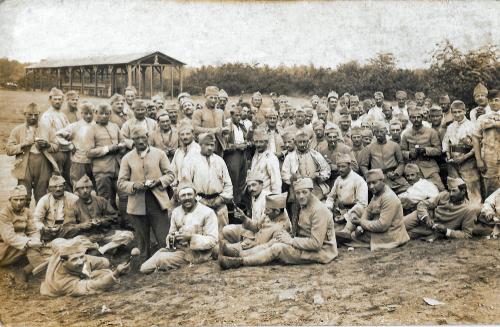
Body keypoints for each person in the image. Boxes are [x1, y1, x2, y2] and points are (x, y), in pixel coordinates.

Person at [218, 177, 337, 269]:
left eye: (304, 192)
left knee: (277, 248)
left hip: (321, 252)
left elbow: (316, 243)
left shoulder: (319, 210)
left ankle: (240, 262)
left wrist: (290, 241)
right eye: (298, 193)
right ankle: (239, 254)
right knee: (273, 243)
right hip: (302, 243)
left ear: (312, 191)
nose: (301, 196)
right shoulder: (301, 206)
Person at [118, 127, 175, 262]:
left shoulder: (159, 154)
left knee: (163, 236)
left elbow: (171, 175)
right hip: (137, 202)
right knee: (142, 240)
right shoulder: (127, 158)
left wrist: (158, 181)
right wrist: (133, 185)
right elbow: (121, 182)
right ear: (133, 141)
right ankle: (145, 264)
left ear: (148, 137)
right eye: (137, 138)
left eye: (143, 137)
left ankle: (165, 261)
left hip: (157, 200)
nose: (140, 141)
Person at [140, 180, 218, 274]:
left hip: (197, 253)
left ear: (195, 195)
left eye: (189, 194)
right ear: (178, 198)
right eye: (183, 195)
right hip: (178, 250)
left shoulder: (207, 212)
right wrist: (172, 238)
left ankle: (164, 267)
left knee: (161, 260)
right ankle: (163, 265)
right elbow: (170, 234)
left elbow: (212, 240)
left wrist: (190, 237)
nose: (187, 198)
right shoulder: (176, 212)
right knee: (144, 268)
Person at [181, 133, 233, 237]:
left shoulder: (219, 161)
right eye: (206, 145)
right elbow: (187, 184)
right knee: (201, 234)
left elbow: (228, 184)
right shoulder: (191, 161)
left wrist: (221, 199)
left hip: (219, 202)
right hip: (200, 203)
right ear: (200, 145)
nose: (210, 148)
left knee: (222, 234)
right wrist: (199, 200)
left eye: (212, 145)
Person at [6, 103, 59, 202]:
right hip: (24, 163)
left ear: (39, 114)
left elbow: (56, 146)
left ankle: (42, 216)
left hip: (43, 163)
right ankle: (24, 216)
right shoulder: (17, 130)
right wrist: (23, 145)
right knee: (24, 194)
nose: (33, 117)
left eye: (36, 114)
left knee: (42, 195)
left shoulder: (47, 128)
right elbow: (9, 149)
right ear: (24, 114)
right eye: (30, 115)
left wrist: (47, 145)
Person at [40, 240, 129, 297]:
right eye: (74, 259)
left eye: (81, 257)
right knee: (106, 275)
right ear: (63, 262)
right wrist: (115, 274)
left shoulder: (65, 251)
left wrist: (79, 256)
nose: (80, 262)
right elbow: (92, 286)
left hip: (73, 268)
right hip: (70, 281)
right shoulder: (62, 283)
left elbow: (56, 242)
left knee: (105, 262)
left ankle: (80, 258)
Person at [350, 169, 410, 251]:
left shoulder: (388, 197)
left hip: (390, 235)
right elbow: (368, 211)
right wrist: (360, 226)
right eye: (368, 183)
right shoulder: (377, 193)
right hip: (380, 230)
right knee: (357, 214)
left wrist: (361, 223)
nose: (371, 186)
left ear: (383, 181)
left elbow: (382, 226)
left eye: (374, 183)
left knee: (352, 237)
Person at [404, 177, 478, 240]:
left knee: (404, 235)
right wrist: (426, 217)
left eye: (454, 191)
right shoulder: (444, 195)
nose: (451, 194)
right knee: (399, 225)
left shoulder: (468, 210)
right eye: (450, 191)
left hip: (435, 230)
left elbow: (466, 234)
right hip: (423, 217)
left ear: (463, 191)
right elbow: (422, 204)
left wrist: (446, 231)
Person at [220, 192, 291, 258]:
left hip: (255, 249)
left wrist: (255, 244)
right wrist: (244, 217)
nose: (265, 212)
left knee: (219, 250)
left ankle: (235, 251)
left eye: (267, 210)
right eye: (265, 209)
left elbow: (268, 247)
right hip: (251, 240)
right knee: (224, 236)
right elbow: (256, 226)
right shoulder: (270, 215)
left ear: (277, 211)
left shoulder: (282, 228)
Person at [85, 104, 127, 211]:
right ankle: (104, 222)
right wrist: (108, 149)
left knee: (124, 195)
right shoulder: (91, 129)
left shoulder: (114, 126)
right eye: (101, 114)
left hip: (118, 169)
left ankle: (125, 221)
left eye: (106, 114)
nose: (104, 116)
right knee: (103, 198)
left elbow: (122, 141)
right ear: (96, 114)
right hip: (102, 170)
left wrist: (122, 146)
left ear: (110, 114)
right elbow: (89, 152)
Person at [442, 100, 481, 205]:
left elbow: (477, 146)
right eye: (454, 112)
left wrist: (464, 157)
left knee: (472, 188)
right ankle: (459, 211)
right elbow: (445, 142)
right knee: (455, 187)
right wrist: (447, 154)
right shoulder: (450, 127)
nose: (457, 114)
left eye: (460, 111)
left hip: (468, 161)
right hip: (453, 162)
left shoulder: (472, 126)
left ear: (465, 111)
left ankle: (475, 212)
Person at [0, 185, 43, 281]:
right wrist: (28, 242)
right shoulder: (4, 214)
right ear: (10, 199)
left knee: (44, 245)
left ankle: (25, 271)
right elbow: (8, 237)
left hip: (18, 248)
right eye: (15, 200)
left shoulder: (27, 212)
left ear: (25, 200)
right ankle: (42, 274)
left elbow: (33, 230)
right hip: (4, 250)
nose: (19, 203)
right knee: (31, 246)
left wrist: (36, 240)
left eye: (22, 199)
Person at [401, 106, 445, 191]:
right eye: (413, 117)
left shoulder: (431, 132)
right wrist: (409, 154)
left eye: (418, 117)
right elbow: (402, 151)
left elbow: (438, 150)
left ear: (422, 117)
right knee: (416, 192)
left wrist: (426, 150)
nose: (416, 119)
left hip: (429, 167)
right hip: (413, 168)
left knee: (440, 189)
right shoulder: (406, 134)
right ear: (410, 119)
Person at [325, 154, 368, 240]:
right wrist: (328, 208)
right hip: (340, 211)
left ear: (350, 166)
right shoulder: (338, 180)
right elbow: (331, 197)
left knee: (356, 212)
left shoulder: (358, 180)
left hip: (354, 212)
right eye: (339, 166)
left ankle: (346, 232)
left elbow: (362, 203)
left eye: (343, 167)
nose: (340, 169)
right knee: (324, 209)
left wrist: (345, 217)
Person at [360, 121, 409, 194]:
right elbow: (363, 165)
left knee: (407, 190)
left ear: (386, 132)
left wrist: (396, 173)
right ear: (374, 134)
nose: (379, 134)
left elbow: (401, 163)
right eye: (376, 132)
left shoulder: (395, 145)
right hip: (378, 179)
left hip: (393, 177)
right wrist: (370, 177)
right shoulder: (369, 148)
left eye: (381, 131)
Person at [222, 171, 271, 242]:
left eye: (254, 185)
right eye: (249, 186)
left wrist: (244, 218)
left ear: (261, 184)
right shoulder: (254, 197)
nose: (251, 189)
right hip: (254, 229)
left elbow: (260, 226)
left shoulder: (268, 198)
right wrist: (242, 216)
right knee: (226, 229)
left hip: (265, 233)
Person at [282, 130, 331, 201]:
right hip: (298, 189)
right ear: (295, 143)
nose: (302, 144)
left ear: (308, 142)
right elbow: (284, 175)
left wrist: (318, 175)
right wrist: (295, 179)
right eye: (300, 142)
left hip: (315, 188)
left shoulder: (315, 154)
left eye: (304, 142)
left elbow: (327, 170)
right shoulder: (290, 157)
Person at [56, 102, 95, 187]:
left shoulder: (96, 126)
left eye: (90, 113)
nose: (88, 116)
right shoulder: (75, 126)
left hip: (95, 161)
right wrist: (69, 145)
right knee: (78, 185)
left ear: (94, 113)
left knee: (93, 187)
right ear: (81, 113)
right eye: (86, 113)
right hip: (79, 161)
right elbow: (58, 135)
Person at [41, 87, 72, 189]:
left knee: (67, 177)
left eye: (60, 99)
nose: (58, 101)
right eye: (55, 99)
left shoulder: (63, 115)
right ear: (50, 100)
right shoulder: (47, 116)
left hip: (66, 150)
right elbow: (48, 136)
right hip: (55, 151)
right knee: (56, 177)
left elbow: (69, 130)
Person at [33, 176, 79, 242]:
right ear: (50, 188)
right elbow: (36, 220)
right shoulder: (44, 200)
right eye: (54, 187)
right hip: (50, 231)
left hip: (69, 229)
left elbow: (80, 216)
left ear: (64, 186)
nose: (58, 189)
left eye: (60, 186)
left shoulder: (73, 198)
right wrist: (44, 228)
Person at [472, 89, 500, 198]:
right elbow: (475, 138)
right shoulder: (483, 118)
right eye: (491, 100)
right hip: (489, 159)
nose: (494, 103)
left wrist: (495, 124)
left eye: (496, 100)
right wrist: (479, 160)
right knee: (491, 190)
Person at [222, 105, 249, 205]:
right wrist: (237, 146)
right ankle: (231, 204)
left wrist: (246, 143)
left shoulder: (241, 126)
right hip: (232, 156)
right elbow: (224, 145)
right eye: (236, 115)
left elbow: (246, 138)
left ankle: (238, 202)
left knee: (242, 180)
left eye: (240, 115)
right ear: (232, 115)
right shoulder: (228, 127)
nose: (238, 117)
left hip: (243, 155)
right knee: (233, 179)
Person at [192, 86, 225, 154]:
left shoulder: (220, 112)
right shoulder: (198, 112)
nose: (213, 100)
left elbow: (225, 125)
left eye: (215, 98)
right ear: (205, 97)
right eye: (211, 97)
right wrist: (212, 130)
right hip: (204, 145)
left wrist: (226, 129)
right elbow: (195, 129)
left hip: (219, 146)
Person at [250, 129, 282, 194]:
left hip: (267, 195)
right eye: (256, 142)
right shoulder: (255, 156)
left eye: (261, 142)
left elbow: (276, 180)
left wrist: (275, 197)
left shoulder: (271, 157)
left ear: (266, 143)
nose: (258, 145)